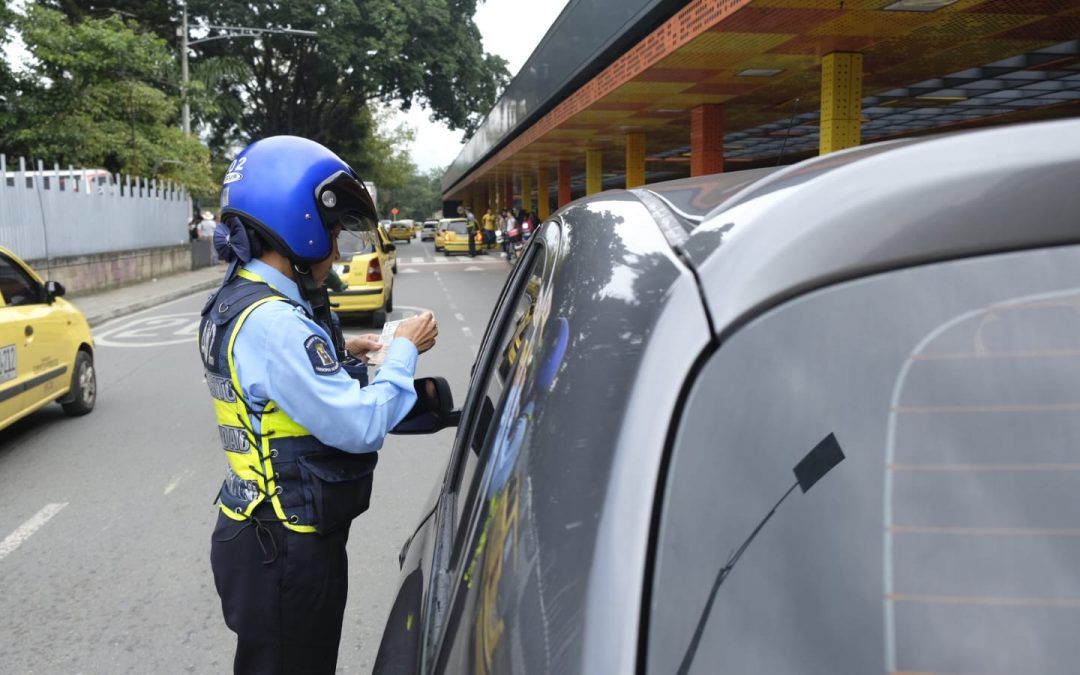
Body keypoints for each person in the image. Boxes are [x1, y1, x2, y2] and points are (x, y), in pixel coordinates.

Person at [199, 135, 439, 674]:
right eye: (331, 232)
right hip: (285, 546)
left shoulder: (236, 301)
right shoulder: (276, 322)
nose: (336, 249)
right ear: (296, 222)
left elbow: (266, 389)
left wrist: (340, 351)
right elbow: (360, 426)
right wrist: (402, 352)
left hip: (254, 530)